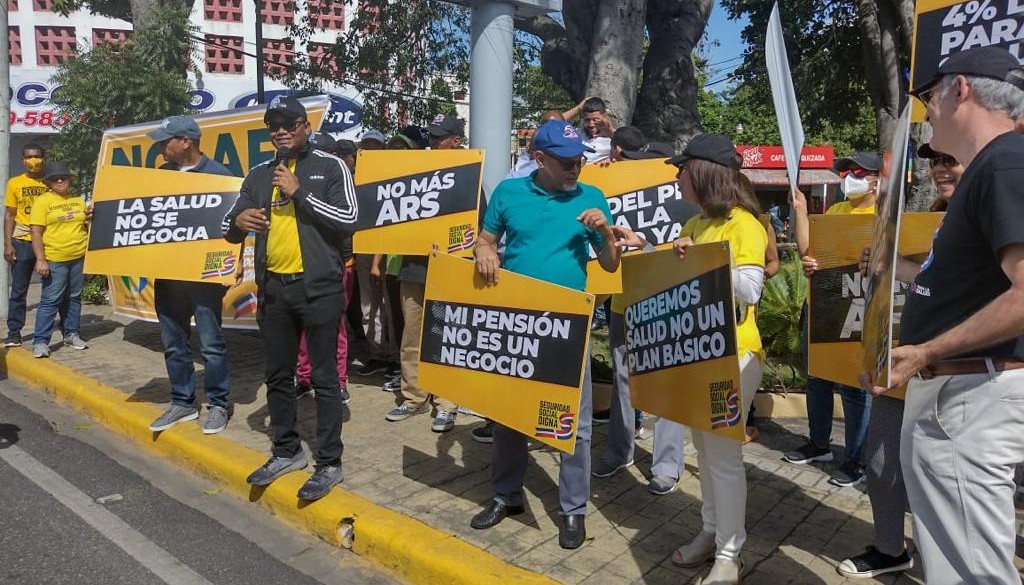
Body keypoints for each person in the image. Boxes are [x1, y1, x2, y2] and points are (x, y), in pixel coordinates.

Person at [865, 46, 1024, 585]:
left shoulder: (1003, 162)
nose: (925, 109)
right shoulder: (992, 169)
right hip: (957, 394)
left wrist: (927, 351)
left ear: (961, 90)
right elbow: (959, 284)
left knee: (971, 572)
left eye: (929, 95)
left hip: (969, 395)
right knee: (953, 565)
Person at [470, 119, 627, 549]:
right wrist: (485, 255)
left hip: (568, 327)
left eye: (578, 160)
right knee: (506, 417)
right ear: (539, 159)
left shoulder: (593, 198)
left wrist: (602, 232)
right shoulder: (509, 193)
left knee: (573, 426)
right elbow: (485, 240)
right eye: (565, 162)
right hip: (516, 324)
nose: (575, 168)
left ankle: (573, 510)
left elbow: (611, 265)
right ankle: (507, 495)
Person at [836, 142, 964, 579]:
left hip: (960, 374)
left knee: (948, 481)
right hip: (906, 364)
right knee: (881, 463)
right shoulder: (927, 219)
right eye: (934, 160)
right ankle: (891, 548)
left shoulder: (996, 214)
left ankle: (949, 563)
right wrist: (885, 266)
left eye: (951, 159)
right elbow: (923, 284)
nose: (940, 168)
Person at [223, 96, 358, 502]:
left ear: (305, 126)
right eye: (273, 125)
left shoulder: (329, 166)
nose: (280, 130)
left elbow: (350, 219)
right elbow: (229, 220)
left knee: (323, 378)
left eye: (288, 123)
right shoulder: (260, 174)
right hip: (275, 289)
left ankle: (329, 461)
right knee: (278, 375)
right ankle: (286, 450)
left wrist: (300, 193)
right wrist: (237, 222)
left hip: (319, 288)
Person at [665, 134, 767, 585]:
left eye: (681, 169)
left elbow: (750, 289)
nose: (676, 176)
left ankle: (730, 552)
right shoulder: (696, 224)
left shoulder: (744, 223)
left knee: (722, 457)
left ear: (702, 172)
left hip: (736, 354)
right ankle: (711, 531)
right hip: (700, 352)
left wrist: (701, 261)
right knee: (704, 453)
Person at [784, 152, 881, 487]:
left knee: (855, 389)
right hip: (823, 307)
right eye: (845, 173)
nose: (849, 178)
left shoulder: (882, 217)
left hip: (857, 311)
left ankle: (857, 459)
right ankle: (819, 443)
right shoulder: (837, 211)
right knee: (818, 379)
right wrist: (800, 212)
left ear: (876, 180)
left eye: (857, 172)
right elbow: (809, 250)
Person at [143, 116, 235, 435]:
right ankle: (182, 402)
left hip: (203, 278)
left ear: (186, 141)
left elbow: (230, 229)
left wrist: (229, 267)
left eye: (165, 140)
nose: (160, 146)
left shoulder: (220, 177)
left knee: (211, 344)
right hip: (168, 276)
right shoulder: (160, 176)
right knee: (173, 342)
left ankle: (219, 404)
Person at [384, 114, 465, 433]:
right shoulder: (414, 170)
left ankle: (446, 402)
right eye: (430, 136)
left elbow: (477, 224)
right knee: (413, 336)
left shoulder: (469, 173)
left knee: (447, 336)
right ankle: (414, 397)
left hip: (450, 269)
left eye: (439, 137)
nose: (432, 142)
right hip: (413, 267)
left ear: (456, 140)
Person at [293, 131, 355, 406]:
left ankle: (339, 380)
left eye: (322, 151)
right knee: (305, 324)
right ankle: (304, 377)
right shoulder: (300, 180)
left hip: (339, 264)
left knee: (335, 325)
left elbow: (346, 221)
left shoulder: (339, 178)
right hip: (305, 264)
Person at [30, 162, 89, 358]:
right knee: (50, 300)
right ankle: (40, 341)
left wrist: (89, 218)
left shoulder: (78, 200)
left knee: (74, 298)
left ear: (70, 179)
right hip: (55, 259)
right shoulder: (43, 202)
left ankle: (71, 334)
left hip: (78, 257)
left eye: (63, 177)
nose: (60, 181)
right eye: (55, 179)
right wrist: (40, 260)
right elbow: (36, 233)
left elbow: (85, 225)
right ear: (48, 182)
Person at [4, 143, 48, 347]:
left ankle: (63, 329)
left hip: (49, 242)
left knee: (54, 291)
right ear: (23, 160)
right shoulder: (15, 183)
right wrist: (7, 244)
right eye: (29, 157)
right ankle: (14, 331)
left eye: (37, 156)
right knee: (19, 290)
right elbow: (10, 215)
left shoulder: (51, 181)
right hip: (22, 242)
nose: (33, 161)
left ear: (44, 159)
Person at [580, 97, 613, 163]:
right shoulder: (575, 134)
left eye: (595, 119)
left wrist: (611, 134)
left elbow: (631, 152)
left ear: (604, 116)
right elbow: (554, 122)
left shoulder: (613, 141)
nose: (591, 124)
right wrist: (577, 109)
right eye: (587, 120)